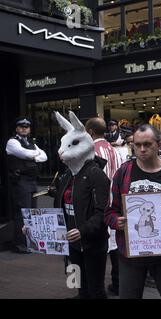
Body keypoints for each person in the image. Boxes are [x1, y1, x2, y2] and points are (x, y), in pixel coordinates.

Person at [105, 124, 161, 299]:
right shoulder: (123, 173)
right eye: (137, 145)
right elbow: (109, 212)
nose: (142, 149)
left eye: (147, 144)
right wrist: (117, 221)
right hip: (131, 254)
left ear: (158, 145)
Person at [52, 111, 110, 299]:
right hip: (71, 244)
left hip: (91, 244)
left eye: (73, 144)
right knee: (79, 286)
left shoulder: (96, 175)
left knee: (95, 288)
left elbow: (103, 211)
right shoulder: (68, 176)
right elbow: (58, 207)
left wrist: (83, 230)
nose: (61, 152)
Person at [85, 117, 122, 296]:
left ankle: (96, 286)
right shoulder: (114, 150)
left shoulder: (91, 150)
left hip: (99, 205)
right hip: (115, 203)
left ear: (91, 131)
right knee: (115, 244)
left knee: (99, 245)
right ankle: (118, 283)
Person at [6, 117, 47, 253]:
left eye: (27, 127)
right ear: (17, 128)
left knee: (32, 213)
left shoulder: (31, 143)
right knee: (22, 213)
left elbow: (44, 156)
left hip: (32, 181)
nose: (24, 128)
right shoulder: (12, 142)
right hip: (21, 181)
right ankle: (19, 244)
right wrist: (36, 155)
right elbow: (22, 153)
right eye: (21, 126)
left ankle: (30, 243)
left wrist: (33, 155)